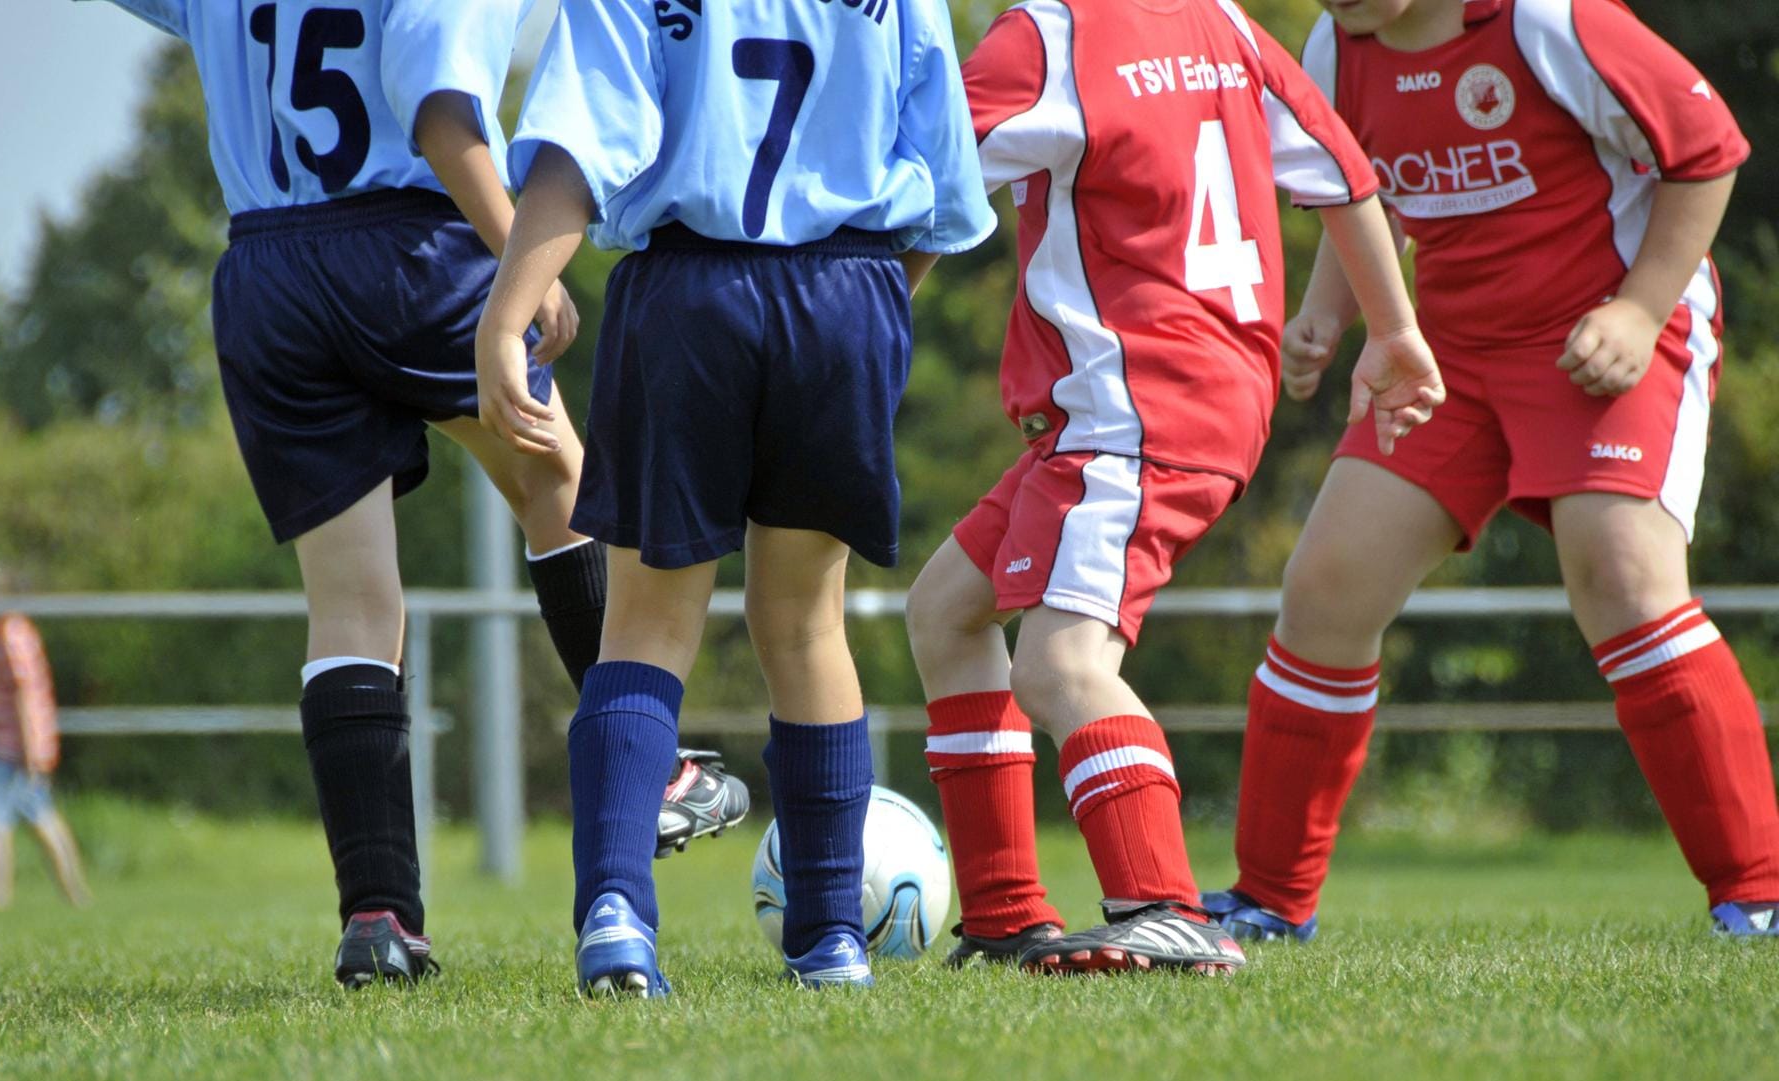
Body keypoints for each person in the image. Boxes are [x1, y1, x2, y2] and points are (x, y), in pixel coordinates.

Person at [79, 0, 747, 987]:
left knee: (350, 605)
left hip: (265, 270)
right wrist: (525, 257)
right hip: (409, 247)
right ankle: (651, 779)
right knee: (563, 480)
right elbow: (441, 104)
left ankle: (380, 917)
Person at [1205, 0, 1779, 942]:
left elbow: (1706, 150)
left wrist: (1638, 311)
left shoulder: (1549, 20)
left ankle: (1757, 890)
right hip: (1450, 359)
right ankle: (1269, 899)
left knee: (1624, 579)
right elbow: (1365, 194)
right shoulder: (1335, 44)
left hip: (1605, 335)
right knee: (1327, 586)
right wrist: (1325, 313)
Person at [905, 0, 1446, 976]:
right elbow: (1345, 170)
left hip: (1132, 405)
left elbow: (925, 190)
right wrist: (1396, 331)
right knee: (948, 606)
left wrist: (864, 318)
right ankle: (1004, 914)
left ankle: (1163, 907)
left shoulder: (1049, 34)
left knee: (1062, 665)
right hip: (1193, 397)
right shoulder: (1223, 25)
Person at [480, 0, 993, 995]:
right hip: (850, 290)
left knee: (644, 628)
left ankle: (618, 919)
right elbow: (944, 187)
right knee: (806, 627)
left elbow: (580, 143)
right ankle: (833, 940)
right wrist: (867, 312)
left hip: (686, 295)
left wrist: (507, 314)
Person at [0, 612, 93, 910]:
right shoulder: (19, 630)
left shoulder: (8, 634)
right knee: (43, 818)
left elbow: (22, 689)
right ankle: (76, 895)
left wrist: (28, 748)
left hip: (11, 750)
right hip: (23, 747)